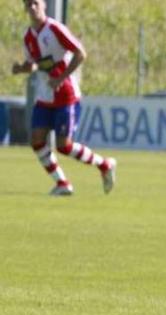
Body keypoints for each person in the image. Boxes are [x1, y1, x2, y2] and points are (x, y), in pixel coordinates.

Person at [11, 0, 116, 196]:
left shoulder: (55, 29)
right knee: (37, 141)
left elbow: (80, 53)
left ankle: (104, 164)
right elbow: (34, 64)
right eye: (28, 4)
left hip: (66, 96)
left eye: (35, 3)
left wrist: (61, 77)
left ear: (43, 5)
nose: (32, 8)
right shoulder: (28, 37)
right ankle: (63, 183)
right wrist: (21, 69)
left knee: (64, 146)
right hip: (45, 97)